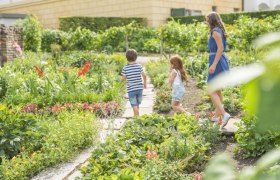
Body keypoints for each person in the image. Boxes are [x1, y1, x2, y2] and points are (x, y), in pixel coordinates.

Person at [206, 12, 231, 128]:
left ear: (211, 20)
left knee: (211, 89)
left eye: (207, 20)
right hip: (218, 60)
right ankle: (217, 115)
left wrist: (214, 64)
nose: (206, 22)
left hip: (217, 61)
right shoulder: (218, 30)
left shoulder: (215, 31)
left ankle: (224, 114)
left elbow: (220, 48)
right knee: (217, 90)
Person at [121, 49, 147, 117]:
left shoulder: (125, 68)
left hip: (131, 89)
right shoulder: (139, 66)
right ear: (136, 57)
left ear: (126, 58)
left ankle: (137, 116)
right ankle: (135, 116)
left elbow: (123, 78)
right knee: (137, 104)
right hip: (139, 89)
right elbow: (144, 75)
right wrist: (145, 84)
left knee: (134, 105)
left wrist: (122, 84)